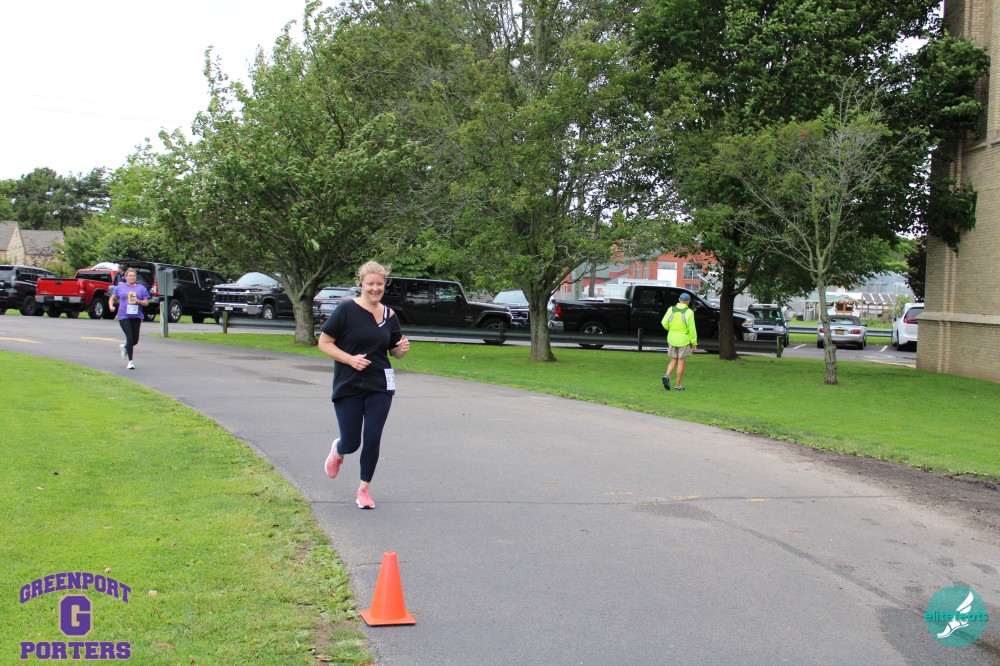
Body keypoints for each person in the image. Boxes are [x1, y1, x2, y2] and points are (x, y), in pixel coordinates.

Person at [318, 261, 410, 509]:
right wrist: (350, 359)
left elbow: (394, 351)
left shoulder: (390, 315)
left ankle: (364, 490)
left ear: (384, 284)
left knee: (372, 437)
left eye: (380, 284)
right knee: (352, 442)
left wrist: (402, 349)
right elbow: (324, 343)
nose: (375, 288)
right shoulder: (346, 310)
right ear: (361, 284)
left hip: (380, 384)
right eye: (370, 283)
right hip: (349, 384)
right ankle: (339, 449)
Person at [108, 268, 152, 370]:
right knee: (130, 336)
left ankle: (125, 347)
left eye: (134, 276)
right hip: (124, 315)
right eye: (130, 276)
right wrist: (111, 306)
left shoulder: (141, 288)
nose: (132, 277)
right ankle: (130, 362)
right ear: (126, 277)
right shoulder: (120, 287)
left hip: (136, 315)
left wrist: (138, 301)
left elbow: (146, 303)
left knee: (135, 340)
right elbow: (112, 298)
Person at [661, 292, 698, 391]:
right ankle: (677, 386)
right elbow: (692, 328)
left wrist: (670, 329)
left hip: (672, 338)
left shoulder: (671, 309)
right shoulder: (689, 312)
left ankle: (667, 375)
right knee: (681, 361)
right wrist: (694, 342)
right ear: (688, 302)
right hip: (684, 340)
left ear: (679, 300)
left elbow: (664, 323)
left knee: (673, 359)